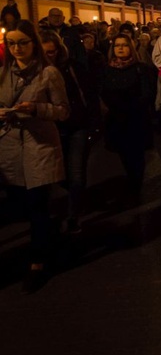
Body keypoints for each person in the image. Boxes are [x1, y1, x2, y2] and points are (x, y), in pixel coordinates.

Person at [0, 20, 69, 293]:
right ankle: (49, 237)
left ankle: (38, 263)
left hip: (39, 146)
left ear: (34, 44)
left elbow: (63, 111)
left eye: (23, 43)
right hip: (10, 147)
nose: (17, 48)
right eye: (12, 43)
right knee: (20, 203)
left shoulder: (49, 74)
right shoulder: (3, 74)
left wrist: (37, 108)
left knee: (37, 204)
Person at [40, 29, 94, 234]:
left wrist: (93, 124)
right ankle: (76, 196)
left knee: (76, 172)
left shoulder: (72, 68)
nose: (48, 57)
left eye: (51, 52)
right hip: (49, 129)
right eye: (44, 53)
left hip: (76, 127)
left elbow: (88, 95)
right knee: (58, 175)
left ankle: (73, 216)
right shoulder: (36, 72)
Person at [101, 33, 154, 199]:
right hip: (116, 120)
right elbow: (102, 91)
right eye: (117, 45)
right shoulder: (107, 70)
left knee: (136, 156)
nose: (121, 48)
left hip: (135, 119)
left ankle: (135, 187)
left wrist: (131, 107)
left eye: (124, 45)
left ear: (130, 47)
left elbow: (147, 94)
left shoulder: (141, 69)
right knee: (123, 154)